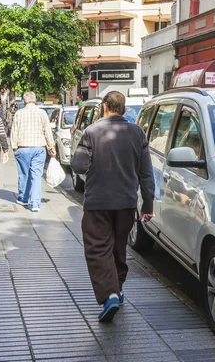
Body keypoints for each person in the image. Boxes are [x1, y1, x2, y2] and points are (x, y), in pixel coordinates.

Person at [70, 91, 154, 322]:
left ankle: (110, 294)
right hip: (127, 202)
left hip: (98, 202)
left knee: (98, 248)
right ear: (124, 109)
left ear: (104, 107)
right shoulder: (138, 133)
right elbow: (146, 173)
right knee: (118, 247)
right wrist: (147, 203)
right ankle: (117, 287)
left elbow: (78, 165)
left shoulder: (92, 132)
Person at [10, 91, 56, 212]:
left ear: (24, 101)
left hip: (23, 147)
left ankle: (23, 198)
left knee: (24, 174)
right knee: (36, 175)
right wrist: (51, 146)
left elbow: (14, 131)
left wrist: (14, 147)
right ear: (35, 100)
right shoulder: (42, 113)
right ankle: (35, 203)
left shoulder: (19, 114)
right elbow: (47, 130)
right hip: (39, 148)